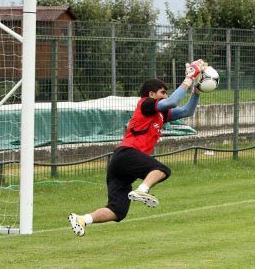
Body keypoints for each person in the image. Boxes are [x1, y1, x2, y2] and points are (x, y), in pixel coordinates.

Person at [68, 59, 208, 237]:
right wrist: (189, 77)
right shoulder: (146, 104)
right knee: (162, 169)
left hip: (121, 164)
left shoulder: (160, 114)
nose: (165, 96)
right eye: (162, 92)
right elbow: (172, 102)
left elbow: (187, 111)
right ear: (151, 94)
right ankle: (142, 190)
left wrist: (196, 90)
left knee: (118, 211)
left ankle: (82, 219)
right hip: (127, 154)